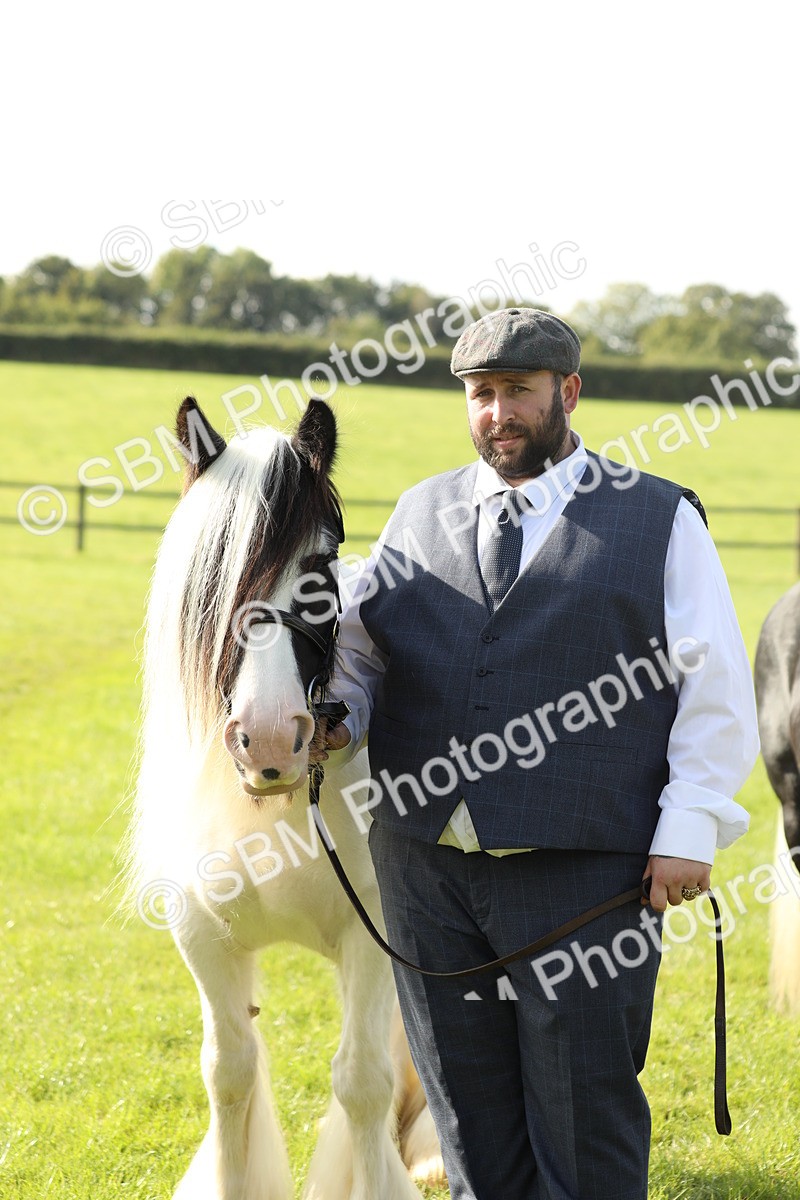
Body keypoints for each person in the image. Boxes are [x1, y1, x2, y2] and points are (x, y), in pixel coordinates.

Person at [316, 307, 759, 1200]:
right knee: (465, 1113)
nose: (497, 413)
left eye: (517, 390)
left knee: (582, 1112)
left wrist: (691, 829)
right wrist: (335, 718)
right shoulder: (418, 511)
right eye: (480, 394)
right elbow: (362, 655)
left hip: (588, 872)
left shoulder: (658, 517)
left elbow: (713, 682)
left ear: (569, 392)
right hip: (426, 868)